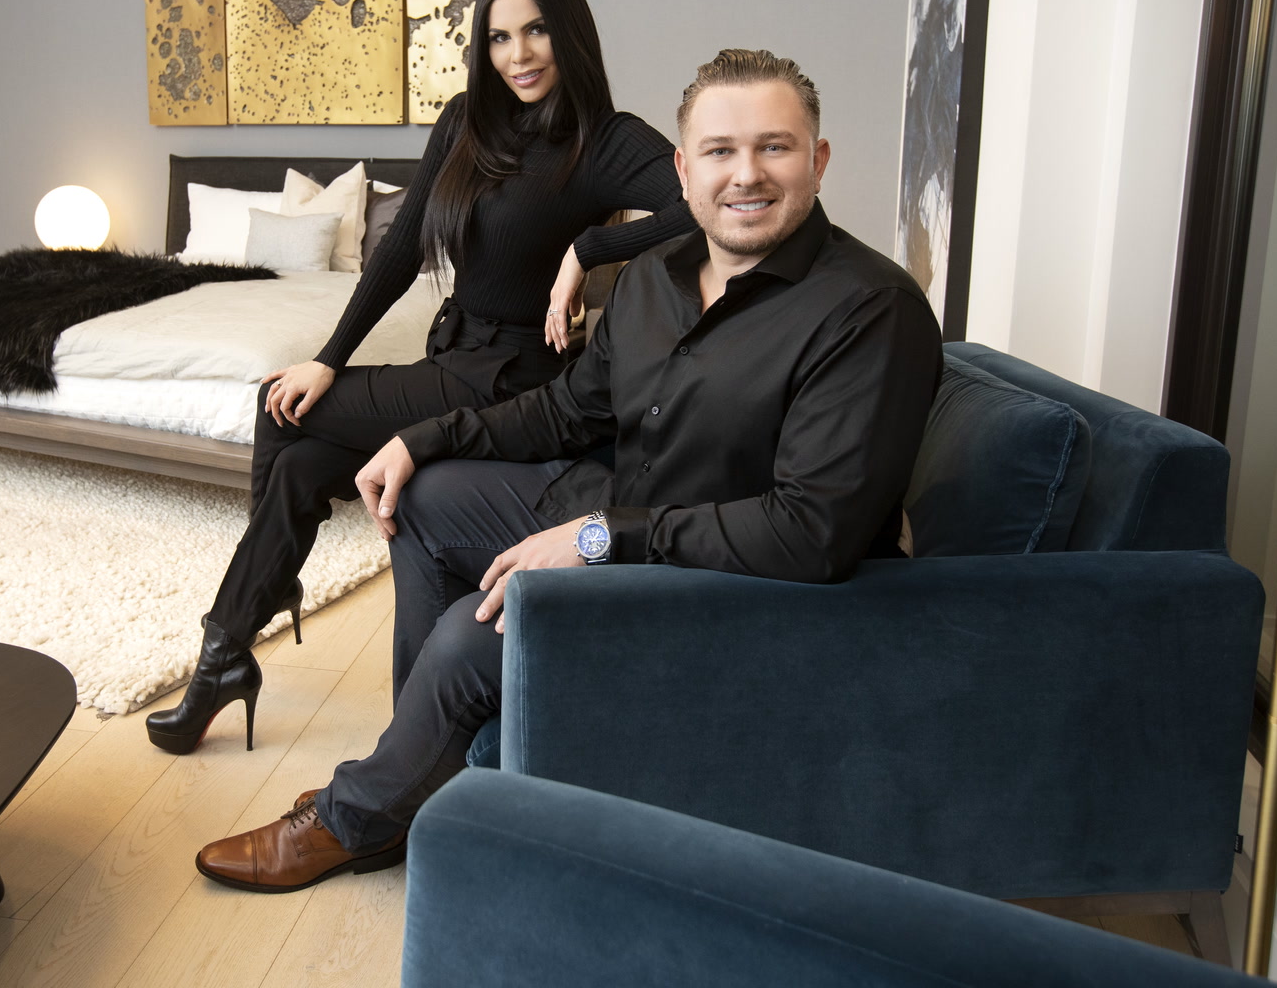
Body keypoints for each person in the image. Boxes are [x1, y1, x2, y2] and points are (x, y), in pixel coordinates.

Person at [191, 47, 944, 892]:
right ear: (683, 171)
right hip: (635, 522)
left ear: (819, 159)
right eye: (721, 151)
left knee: (471, 636)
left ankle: (361, 816)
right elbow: (564, 411)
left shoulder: (869, 310)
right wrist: (424, 439)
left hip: (737, 596)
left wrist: (597, 540)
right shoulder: (655, 278)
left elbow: (810, 534)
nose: (746, 174)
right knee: (424, 496)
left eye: (775, 147)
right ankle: (415, 773)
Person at [146, 0, 696, 754]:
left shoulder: (603, 140)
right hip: (450, 359)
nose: (518, 55)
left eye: (537, 31)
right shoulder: (466, 121)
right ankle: (228, 649)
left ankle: (250, 614)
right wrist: (330, 357)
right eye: (500, 37)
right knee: (297, 453)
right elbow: (402, 247)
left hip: (511, 379)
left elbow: (701, 204)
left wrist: (589, 250)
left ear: (570, 32)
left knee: (279, 414)